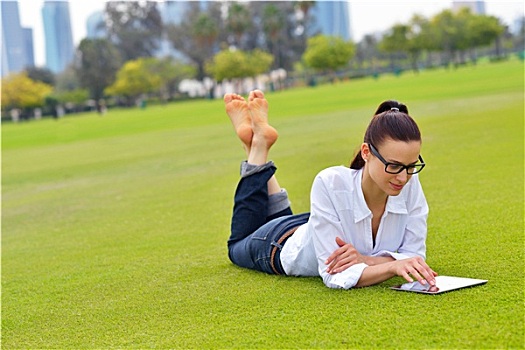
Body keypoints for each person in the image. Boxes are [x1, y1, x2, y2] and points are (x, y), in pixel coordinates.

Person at [224, 90, 438, 289]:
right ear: (366, 152)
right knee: (236, 246)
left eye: (411, 166)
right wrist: (391, 265)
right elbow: (333, 274)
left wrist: (366, 261)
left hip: (314, 225)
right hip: (279, 243)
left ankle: (254, 147)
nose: (403, 177)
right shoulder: (331, 182)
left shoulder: (410, 181)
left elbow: (414, 256)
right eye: (393, 166)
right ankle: (258, 146)